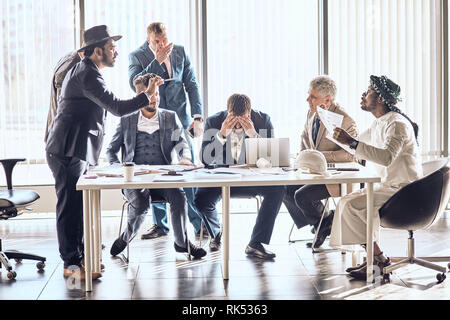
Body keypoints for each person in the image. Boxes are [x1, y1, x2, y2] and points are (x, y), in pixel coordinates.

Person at [45, 25, 164, 280]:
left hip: (75, 149)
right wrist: (147, 95)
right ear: (97, 51)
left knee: (77, 206)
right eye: (112, 48)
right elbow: (118, 108)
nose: (116, 52)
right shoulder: (87, 74)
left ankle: (79, 257)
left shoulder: (88, 71)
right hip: (66, 150)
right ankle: (72, 264)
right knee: (70, 207)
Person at [330, 75, 422, 280]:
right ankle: (375, 258)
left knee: (350, 206)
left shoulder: (397, 124)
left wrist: (352, 143)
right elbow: (356, 145)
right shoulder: (381, 122)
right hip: (388, 186)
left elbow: (386, 157)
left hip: (403, 190)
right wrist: (336, 133)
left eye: (369, 90)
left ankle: (378, 258)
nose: (363, 94)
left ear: (380, 98)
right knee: (347, 203)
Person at [106, 73, 206, 259]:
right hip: (135, 180)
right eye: (151, 95)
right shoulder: (127, 119)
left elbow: (182, 144)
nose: (155, 99)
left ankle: (182, 244)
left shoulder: (169, 117)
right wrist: (117, 169)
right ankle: (126, 237)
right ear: (139, 96)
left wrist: (185, 157)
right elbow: (111, 150)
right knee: (141, 203)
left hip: (164, 179)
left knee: (179, 197)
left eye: (157, 95)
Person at [128, 22, 204, 240]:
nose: (162, 45)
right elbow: (134, 83)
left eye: (164, 40)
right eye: (157, 42)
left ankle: (198, 223)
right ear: (148, 40)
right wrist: (157, 61)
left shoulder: (179, 51)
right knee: (157, 169)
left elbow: (192, 84)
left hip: (180, 118)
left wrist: (197, 117)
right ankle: (160, 225)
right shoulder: (137, 56)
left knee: (186, 168)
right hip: (153, 120)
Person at [194, 94, 286, 259]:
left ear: (249, 113)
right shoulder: (214, 122)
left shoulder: (263, 120)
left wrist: (253, 135)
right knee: (200, 199)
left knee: (278, 189)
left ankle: (256, 243)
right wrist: (222, 134)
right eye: (232, 117)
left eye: (242, 117)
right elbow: (205, 159)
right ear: (227, 112)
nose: (237, 122)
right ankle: (216, 234)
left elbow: (273, 160)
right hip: (223, 177)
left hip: (253, 178)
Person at [283, 75, 358, 249]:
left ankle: (322, 224)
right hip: (312, 172)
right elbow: (304, 137)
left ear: (327, 99)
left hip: (335, 177)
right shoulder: (312, 112)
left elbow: (349, 156)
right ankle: (323, 222)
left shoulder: (345, 120)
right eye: (309, 95)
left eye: (312, 97)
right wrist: (303, 155)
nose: (307, 99)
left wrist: (318, 155)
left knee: (301, 196)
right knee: (285, 189)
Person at [45, 51, 83, 142]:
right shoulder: (73, 63)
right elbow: (63, 105)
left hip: (62, 139)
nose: (115, 53)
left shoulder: (72, 60)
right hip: (63, 141)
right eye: (110, 48)